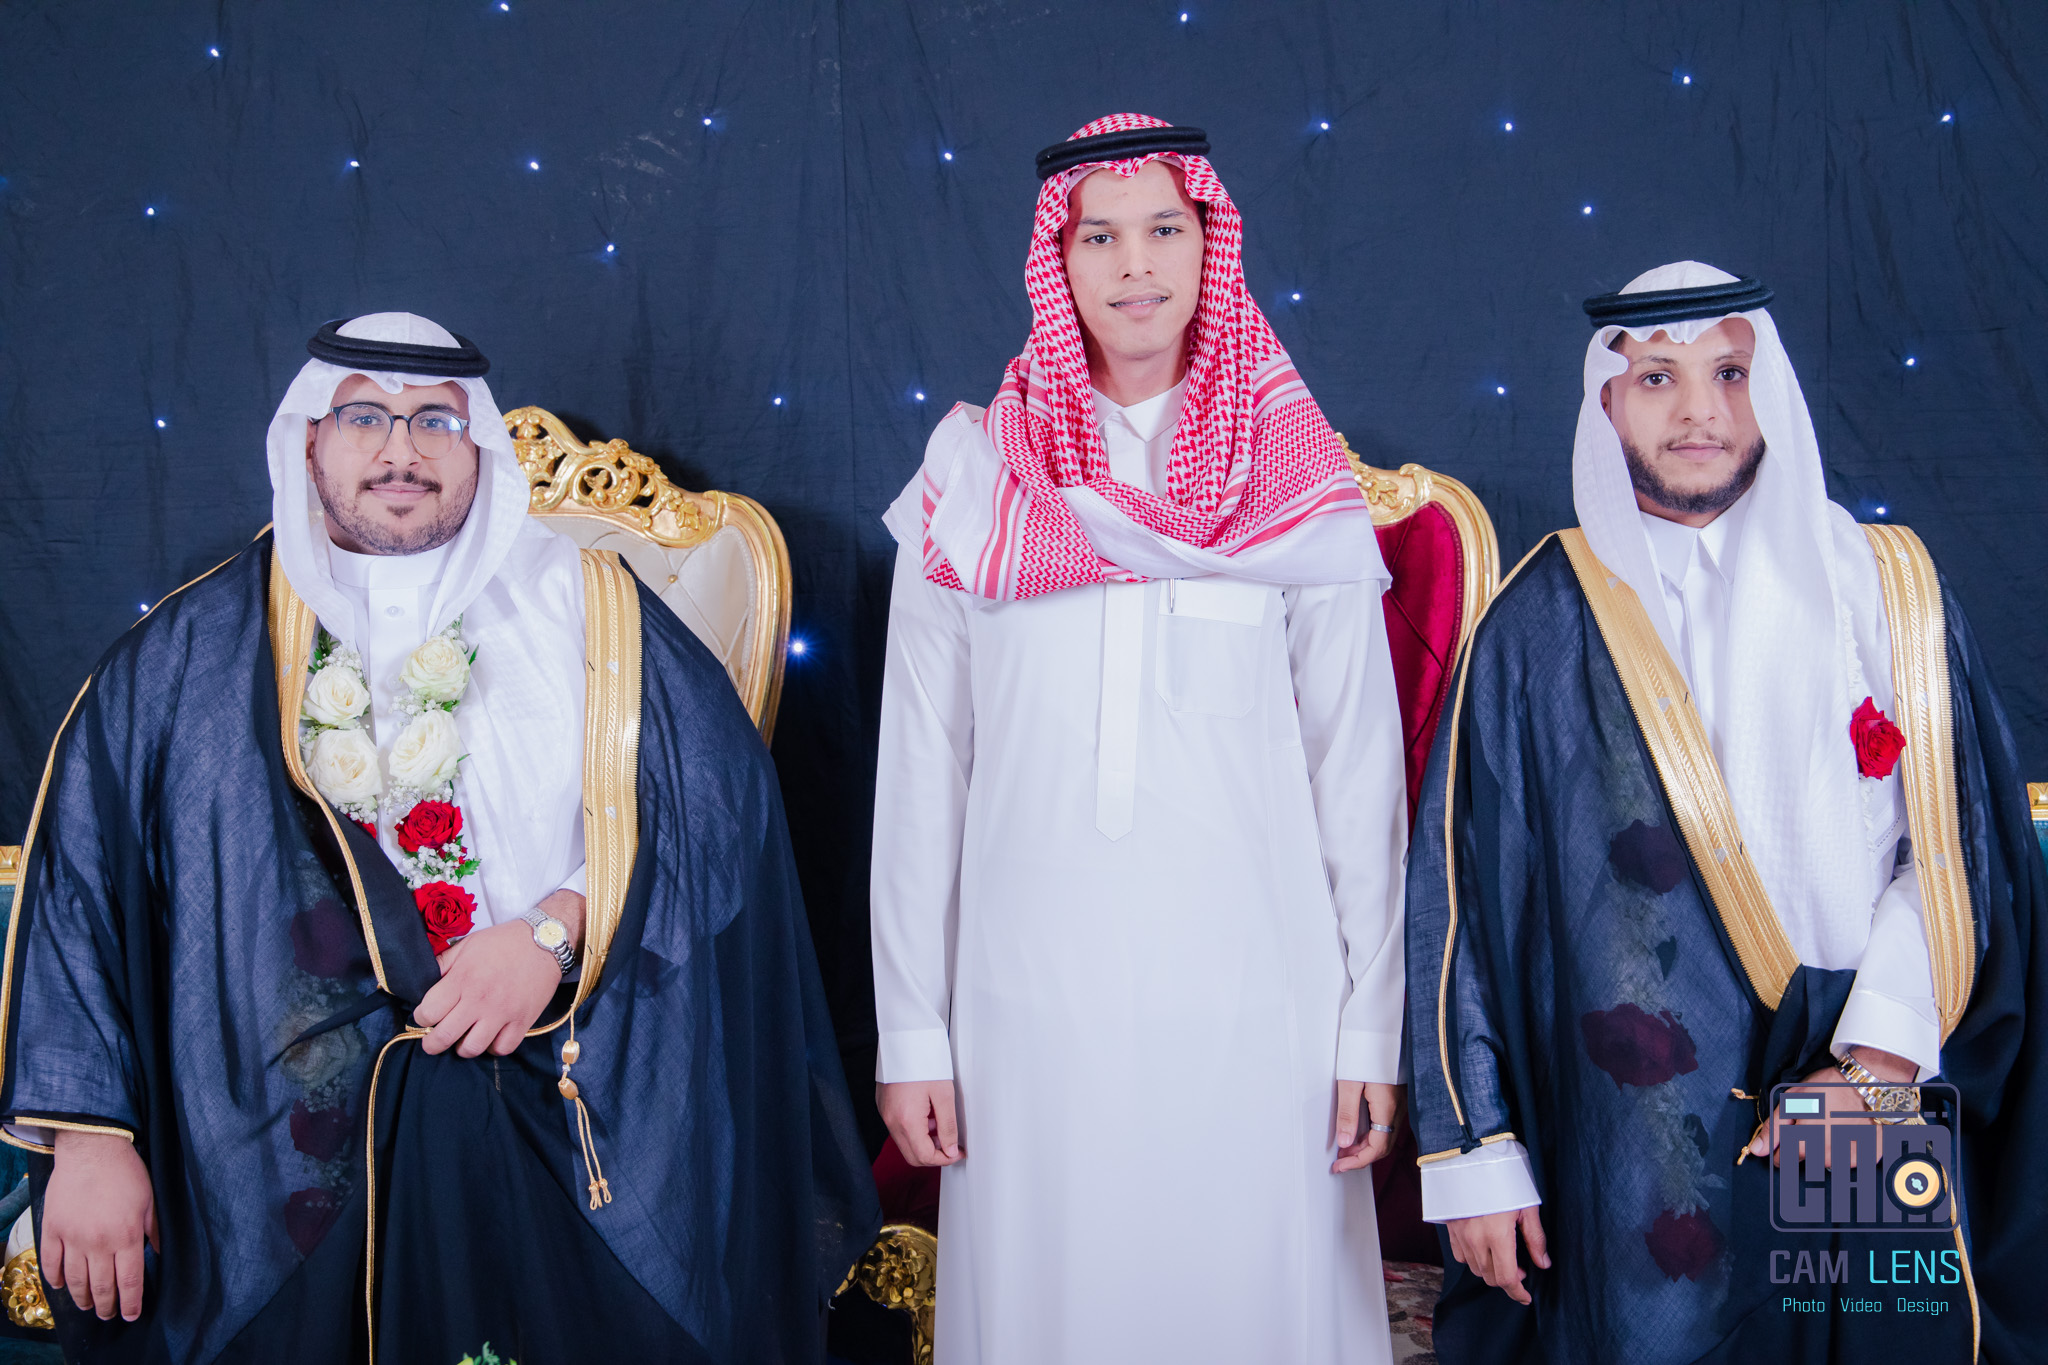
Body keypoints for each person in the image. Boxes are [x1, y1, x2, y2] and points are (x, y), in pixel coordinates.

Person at [2, 313, 877, 1363]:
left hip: (561, 1077)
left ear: (479, 449)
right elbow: (83, 883)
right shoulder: (199, 645)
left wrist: (554, 932)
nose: (400, 451)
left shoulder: (590, 607)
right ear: (309, 440)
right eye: (363, 417)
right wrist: (89, 1138)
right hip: (280, 1132)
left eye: (434, 420)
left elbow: (718, 818)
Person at [1405, 262, 2048, 1362]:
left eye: (1730, 373)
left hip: (1857, 1080)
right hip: (1630, 1124)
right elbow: (1461, 903)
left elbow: (1959, 856)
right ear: (1607, 402)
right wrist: (1477, 1154)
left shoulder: (1883, 586)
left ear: (1771, 391)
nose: (1698, 409)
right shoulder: (1538, 620)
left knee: (1864, 1340)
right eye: (1658, 377)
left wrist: (1874, 1067)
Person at [869, 114, 1410, 1364]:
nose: (1133, 265)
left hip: (1258, 1004)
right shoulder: (974, 476)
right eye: (1097, 237)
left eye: (1163, 228)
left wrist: (1365, 1032)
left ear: (1208, 242)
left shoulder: (1291, 476)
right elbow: (920, 773)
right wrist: (912, 1029)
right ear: (1053, 265)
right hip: (1025, 1006)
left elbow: (1355, 774)